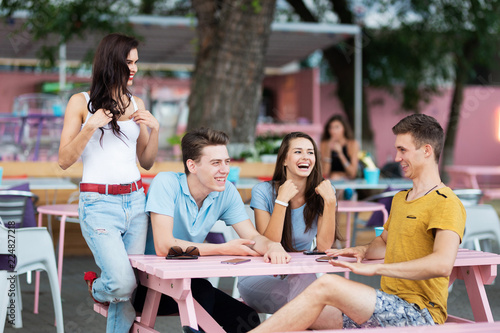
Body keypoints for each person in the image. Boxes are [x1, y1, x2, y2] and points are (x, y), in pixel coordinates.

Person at [250, 114, 466, 331]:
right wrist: (360, 250)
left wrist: (377, 269)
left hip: (418, 312)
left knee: (327, 284)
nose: (397, 157)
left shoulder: (446, 202)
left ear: (427, 151)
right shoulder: (401, 199)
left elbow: (442, 264)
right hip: (386, 303)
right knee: (304, 313)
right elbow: (384, 242)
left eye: (403, 150)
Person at [137, 127, 291, 332]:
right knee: (202, 293)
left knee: (246, 317)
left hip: (186, 284)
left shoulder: (226, 191)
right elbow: (164, 246)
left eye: (227, 162)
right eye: (216, 163)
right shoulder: (166, 183)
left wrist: (272, 246)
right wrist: (223, 249)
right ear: (192, 165)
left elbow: (252, 237)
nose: (225, 169)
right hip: (146, 287)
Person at [58, 33, 159, 333]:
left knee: (128, 295)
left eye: (137, 62)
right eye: (129, 62)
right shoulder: (81, 102)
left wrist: (153, 130)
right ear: (112, 62)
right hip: (98, 204)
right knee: (121, 282)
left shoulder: (136, 102)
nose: (135, 69)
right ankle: (96, 287)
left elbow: (147, 162)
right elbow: (64, 159)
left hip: (136, 202)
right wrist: (90, 126)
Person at [237, 132, 340, 314]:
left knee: (311, 298)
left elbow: (324, 246)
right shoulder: (263, 191)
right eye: (298, 152)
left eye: (310, 152)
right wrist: (281, 201)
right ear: (284, 160)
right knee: (312, 304)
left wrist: (330, 202)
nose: (305, 157)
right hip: (261, 274)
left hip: (299, 273)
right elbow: (270, 244)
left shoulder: (324, 192)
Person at [320, 115, 360, 180]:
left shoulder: (352, 144)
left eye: (337, 127)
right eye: (331, 127)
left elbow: (353, 173)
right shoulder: (324, 144)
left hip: (347, 183)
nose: (333, 131)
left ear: (344, 128)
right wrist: (328, 149)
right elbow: (325, 172)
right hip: (331, 181)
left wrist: (340, 154)